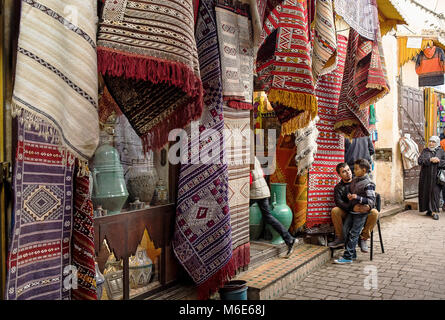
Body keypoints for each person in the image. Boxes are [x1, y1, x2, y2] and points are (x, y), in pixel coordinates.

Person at [250, 156, 296, 258]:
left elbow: (249, 178)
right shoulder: (254, 157)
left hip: (255, 191)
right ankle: (289, 239)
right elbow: (261, 173)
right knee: (268, 217)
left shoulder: (244, 157)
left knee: (239, 215)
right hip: (263, 191)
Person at [328, 162, 379, 253]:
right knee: (335, 211)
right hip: (347, 211)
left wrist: (367, 206)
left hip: (362, 210)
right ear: (339, 175)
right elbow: (339, 203)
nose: (348, 172)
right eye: (344, 171)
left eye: (348, 170)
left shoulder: (360, 181)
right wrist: (352, 207)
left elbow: (371, 198)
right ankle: (340, 238)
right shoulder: (338, 188)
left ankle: (363, 238)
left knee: (375, 213)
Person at [418, 135, 445, 220]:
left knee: (435, 194)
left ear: (437, 143)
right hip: (425, 177)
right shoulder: (425, 151)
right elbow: (420, 161)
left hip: (436, 178)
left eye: (433, 142)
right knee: (425, 192)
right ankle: (428, 209)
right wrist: (429, 160)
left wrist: (438, 161)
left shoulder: (441, 151)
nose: (431, 143)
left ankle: (435, 212)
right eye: (430, 141)